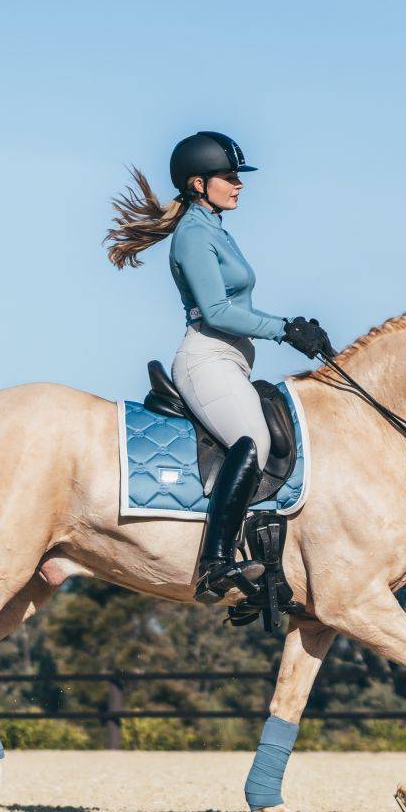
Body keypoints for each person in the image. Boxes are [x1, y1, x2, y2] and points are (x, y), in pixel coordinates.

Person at [105, 131, 334, 603]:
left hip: (229, 360)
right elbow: (216, 312)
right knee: (254, 440)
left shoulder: (213, 229)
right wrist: (285, 328)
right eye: (229, 177)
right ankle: (215, 563)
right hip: (206, 358)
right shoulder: (193, 234)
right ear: (197, 183)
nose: (238, 185)